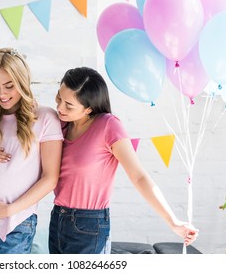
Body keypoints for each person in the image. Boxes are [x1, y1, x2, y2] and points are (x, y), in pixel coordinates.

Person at [48, 67, 198, 254]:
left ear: (89, 108)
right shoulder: (59, 125)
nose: (60, 107)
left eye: (69, 105)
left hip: (88, 225)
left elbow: (139, 177)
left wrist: (173, 222)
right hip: (57, 219)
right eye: (58, 98)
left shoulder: (108, 125)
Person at [0, 48, 63, 254]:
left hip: (17, 222)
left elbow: (50, 178)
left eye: (9, 86)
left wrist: (8, 210)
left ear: (23, 82)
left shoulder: (45, 118)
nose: (2, 94)